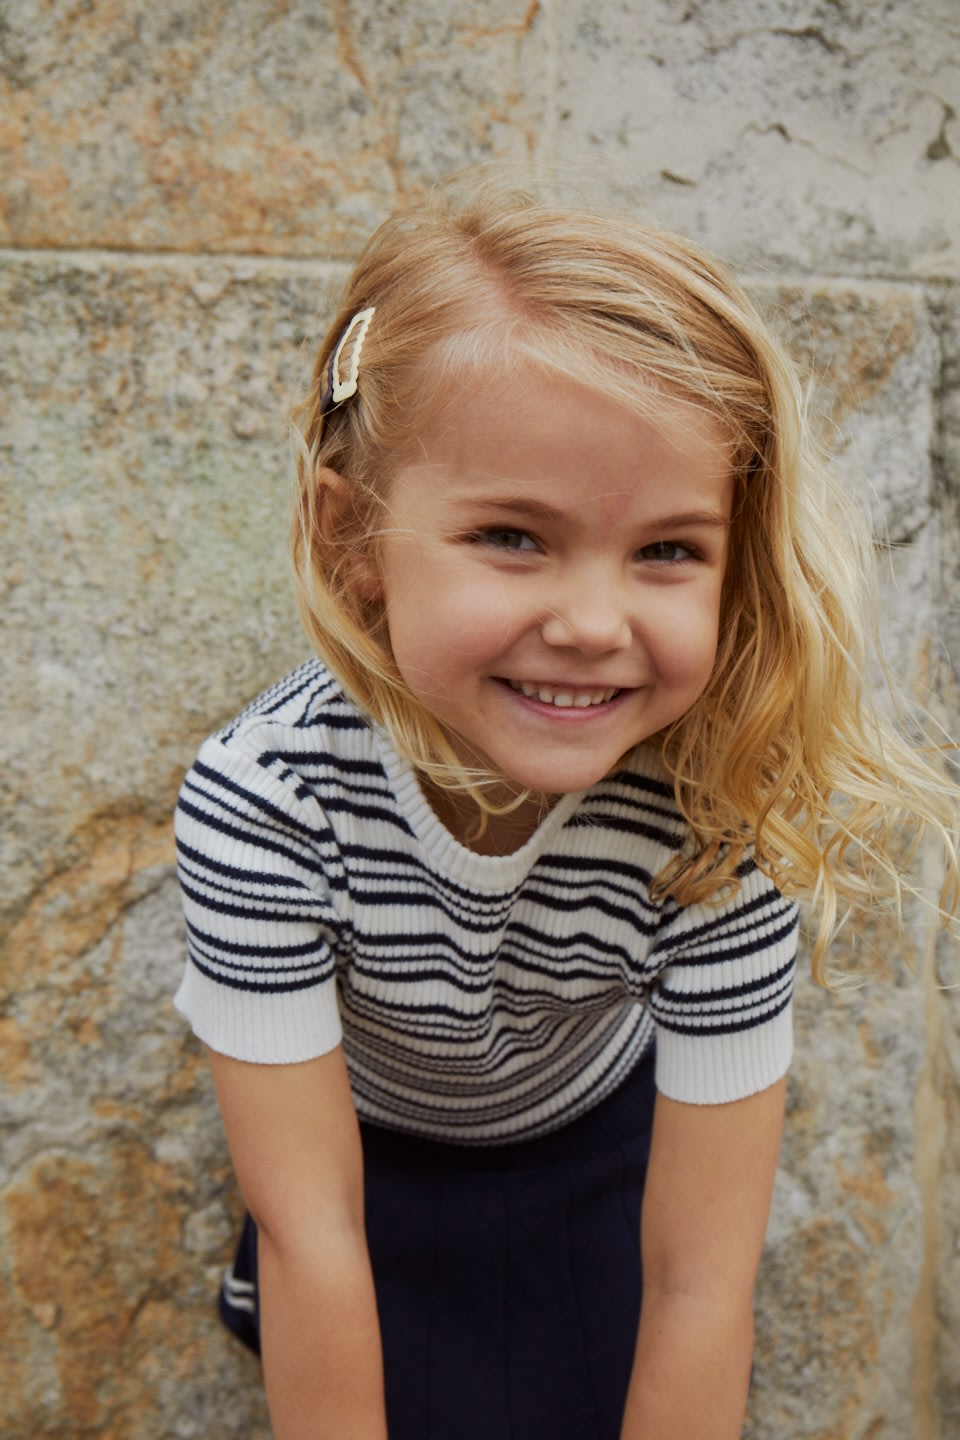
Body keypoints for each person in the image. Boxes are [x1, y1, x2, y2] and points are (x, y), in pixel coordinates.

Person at [173, 178, 959, 1440]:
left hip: (600, 1152)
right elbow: (311, 1234)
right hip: (358, 1169)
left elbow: (702, 1283)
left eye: (665, 549)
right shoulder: (267, 801)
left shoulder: (719, 819)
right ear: (351, 541)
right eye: (513, 536)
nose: (594, 626)